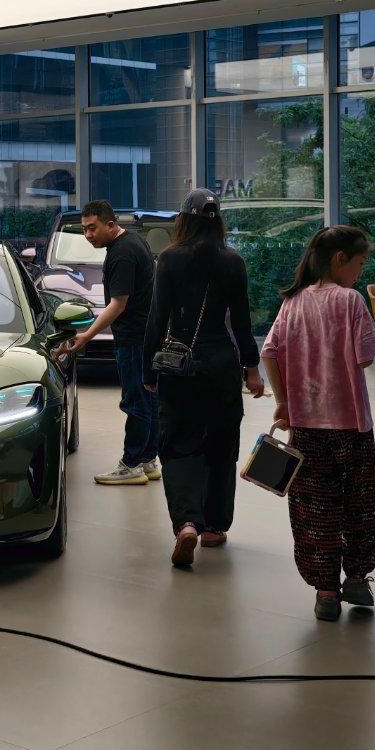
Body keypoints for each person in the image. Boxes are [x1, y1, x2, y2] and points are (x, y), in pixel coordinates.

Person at [261, 226, 375, 622]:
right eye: (360, 264)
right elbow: (365, 356)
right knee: (359, 504)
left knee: (315, 509)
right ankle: (357, 578)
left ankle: (325, 592)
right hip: (351, 426)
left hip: (306, 426)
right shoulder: (350, 301)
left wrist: (283, 403)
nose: (360, 273)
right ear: (340, 259)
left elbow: (269, 352)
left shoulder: (292, 302)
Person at [143, 188, 263, 567]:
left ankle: (186, 523)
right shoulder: (233, 262)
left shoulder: (170, 259)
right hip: (222, 366)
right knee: (222, 446)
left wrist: (148, 368)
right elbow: (242, 323)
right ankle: (213, 526)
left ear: (184, 220)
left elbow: (157, 319)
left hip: (180, 367)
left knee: (178, 445)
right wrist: (252, 368)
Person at [62, 200, 159, 485]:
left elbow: (118, 304)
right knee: (148, 400)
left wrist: (87, 335)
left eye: (92, 228)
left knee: (136, 402)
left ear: (110, 224)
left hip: (133, 339)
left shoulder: (122, 253)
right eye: (84, 229)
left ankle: (131, 464)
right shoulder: (134, 242)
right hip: (145, 335)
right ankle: (148, 460)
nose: (88, 235)